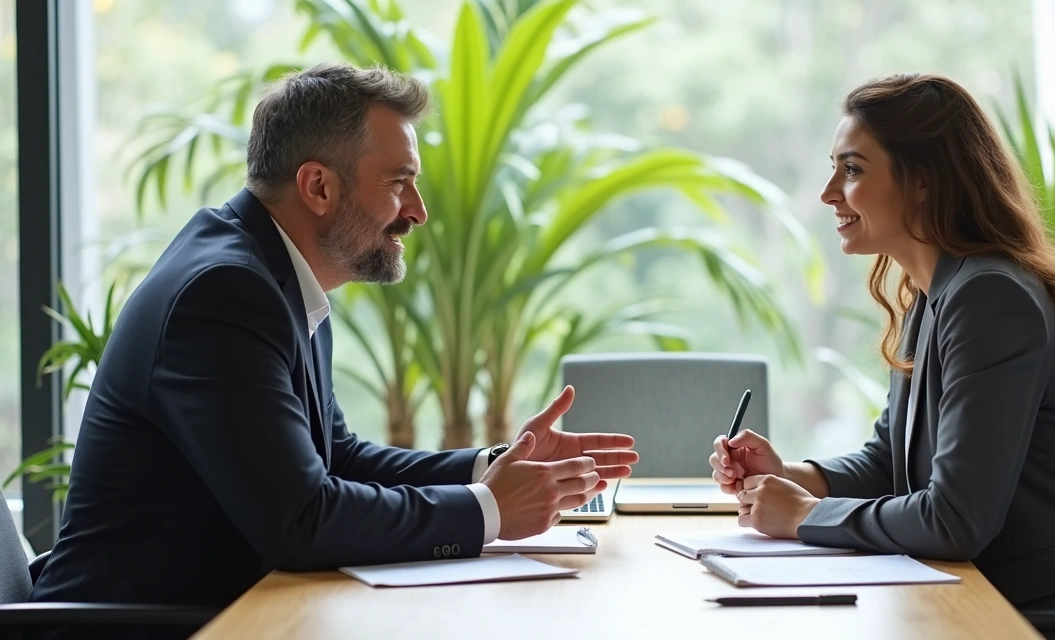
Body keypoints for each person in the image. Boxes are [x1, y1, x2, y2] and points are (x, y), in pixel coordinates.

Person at [31, 63, 638, 609]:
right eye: (399, 182)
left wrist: (491, 466)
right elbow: (301, 519)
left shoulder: (274, 272)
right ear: (318, 186)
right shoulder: (223, 294)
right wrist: (492, 510)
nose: (419, 210)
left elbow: (335, 458)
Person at [709, 73, 1055, 612]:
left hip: (1054, 613)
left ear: (923, 180)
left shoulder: (989, 298)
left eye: (851, 169)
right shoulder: (935, 292)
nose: (829, 193)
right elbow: (890, 460)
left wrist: (803, 516)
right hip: (985, 597)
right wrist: (791, 477)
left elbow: (955, 520)